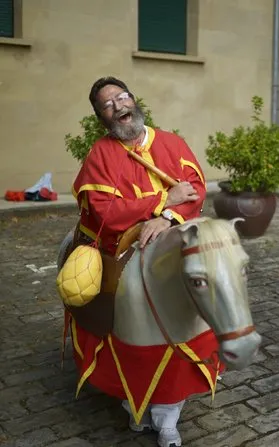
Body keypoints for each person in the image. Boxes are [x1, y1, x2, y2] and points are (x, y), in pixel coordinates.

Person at [70, 76, 212, 447]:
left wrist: (166, 218)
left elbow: (194, 192)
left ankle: (167, 418)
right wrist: (160, 204)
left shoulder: (171, 143)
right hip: (119, 245)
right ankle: (131, 401)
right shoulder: (101, 154)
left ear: (134, 100)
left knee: (192, 303)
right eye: (107, 104)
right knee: (113, 311)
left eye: (122, 97)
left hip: (172, 238)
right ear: (102, 117)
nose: (118, 106)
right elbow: (104, 212)